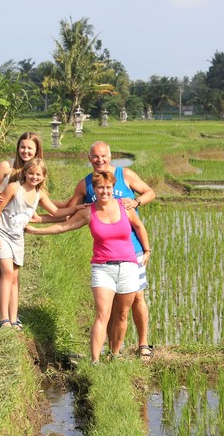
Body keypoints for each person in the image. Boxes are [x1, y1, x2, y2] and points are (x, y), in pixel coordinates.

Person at [26, 170, 151, 363]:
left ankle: (114, 355)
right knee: (102, 314)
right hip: (103, 268)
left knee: (122, 314)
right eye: (100, 187)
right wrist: (35, 230)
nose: (104, 191)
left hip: (129, 266)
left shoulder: (125, 207)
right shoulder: (88, 212)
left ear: (113, 188)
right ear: (94, 189)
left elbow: (139, 226)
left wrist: (147, 250)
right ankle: (94, 362)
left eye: (108, 187)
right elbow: (63, 226)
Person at [65, 141, 156, 360]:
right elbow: (69, 210)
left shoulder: (125, 174)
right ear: (89, 159)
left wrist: (136, 202)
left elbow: (150, 192)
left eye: (103, 155)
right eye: (95, 157)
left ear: (110, 155)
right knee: (112, 307)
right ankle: (113, 350)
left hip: (132, 248)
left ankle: (143, 343)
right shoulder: (86, 184)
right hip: (107, 251)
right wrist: (38, 208)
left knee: (137, 298)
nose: (100, 160)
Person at [0, 158, 83, 330]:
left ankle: (13, 318)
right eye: (31, 173)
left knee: (15, 278)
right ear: (25, 172)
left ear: (43, 177)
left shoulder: (39, 194)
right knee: (7, 273)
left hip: (18, 238)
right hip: (2, 234)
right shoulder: (14, 187)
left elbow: (56, 211)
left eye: (38, 174)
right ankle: (3, 318)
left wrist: (78, 208)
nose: (34, 177)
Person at [0, 132, 42, 322]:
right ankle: (2, 313)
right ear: (18, 148)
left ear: (36, 151)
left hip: (12, 224)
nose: (25, 151)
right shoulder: (6, 167)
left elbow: (39, 199)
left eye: (29, 148)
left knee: (10, 272)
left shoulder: (35, 171)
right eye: (22, 147)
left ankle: (9, 314)